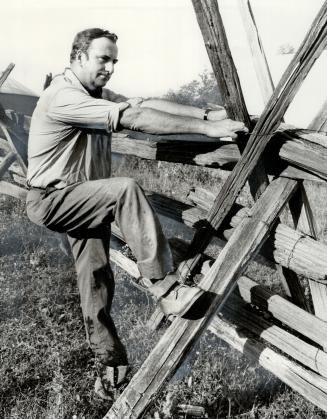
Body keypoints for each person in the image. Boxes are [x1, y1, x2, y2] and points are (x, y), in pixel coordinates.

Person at [26, 28, 248, 399]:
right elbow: (137, 119)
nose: (111, 67)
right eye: (103, 59)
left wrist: (206, 112)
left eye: (114, 60)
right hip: (53, 199)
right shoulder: (64, 96)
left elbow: (147, 103)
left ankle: (110, 368)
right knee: (125, 188)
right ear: (78, 56)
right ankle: (165, 287)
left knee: (94, 281)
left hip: (81, 197)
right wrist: (209, 130)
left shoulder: (93, 93)